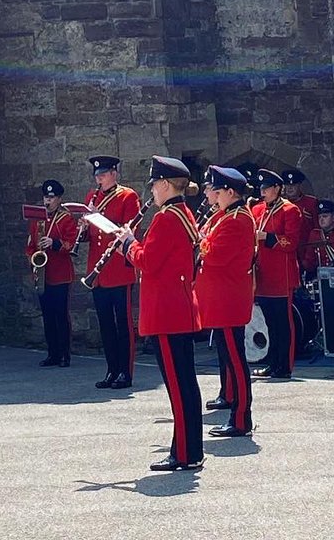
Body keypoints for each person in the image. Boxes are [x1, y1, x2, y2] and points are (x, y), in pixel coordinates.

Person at [119, 156, 203, 473]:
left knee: (178, 386)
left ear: (165, 184)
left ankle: (183, 453)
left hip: (167, 310)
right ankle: (190, 449)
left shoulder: (167, 217)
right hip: (177, 306)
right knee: (185, 383)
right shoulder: (181, 213)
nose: (152, 190)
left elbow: (149, 260)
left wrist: (128, 243)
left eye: (154, 184)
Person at [196, 166, 256, 438]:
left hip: (229, 298)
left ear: (231, 192)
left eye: (217, 192)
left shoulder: (237, 219)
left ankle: (242, 417)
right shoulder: (224, 216)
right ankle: (232, 402)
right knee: (228, 357)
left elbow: (215, 254)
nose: (214, 197)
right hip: (220, 297)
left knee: (236, 360)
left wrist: (199, 240)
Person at [81, 155, 141, 390]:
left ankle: (125, 372)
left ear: (114, 173)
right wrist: (85, 227)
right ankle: (111, 370)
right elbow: (90, 238)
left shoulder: (127, 196)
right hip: (97, 271)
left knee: (123, 324)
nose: (99, 179)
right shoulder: (92, 197)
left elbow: (129, 230)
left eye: (103, 174)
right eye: (97, 175)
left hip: (117, 269)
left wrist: (99, 217)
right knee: (105, 324)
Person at [250, 169, 302, 380]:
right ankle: (273, 362)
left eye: (266, 189)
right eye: (261, 189)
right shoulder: (257, 209)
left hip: (282, 274)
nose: (262, 193)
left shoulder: (290, 210)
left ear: (277, 189)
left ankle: (285, 365)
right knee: (269, 322)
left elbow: (291, 242)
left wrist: (267, 237)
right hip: (263, 273)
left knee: (283, 322)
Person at [25, 178, 78, 368]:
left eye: (51, 198)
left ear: (59, 199)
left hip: (61, 274)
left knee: (61, 315)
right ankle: (52, 353)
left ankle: (65, 354)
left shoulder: (66, 218)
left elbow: (72, 244)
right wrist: (33, 258)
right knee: (47, 315)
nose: (47, 201)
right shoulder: (37, 219)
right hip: (43, 275)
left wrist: (54, 244)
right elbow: (30, 246)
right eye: (45, 197)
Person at [280, 167, 318, 263]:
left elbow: (317, 228)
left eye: (294, 185)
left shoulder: (311, 203)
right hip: (285, 251)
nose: (290, 188)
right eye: (287, 185)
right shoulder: (279, 205)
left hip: (306, 250)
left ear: (299, 185)